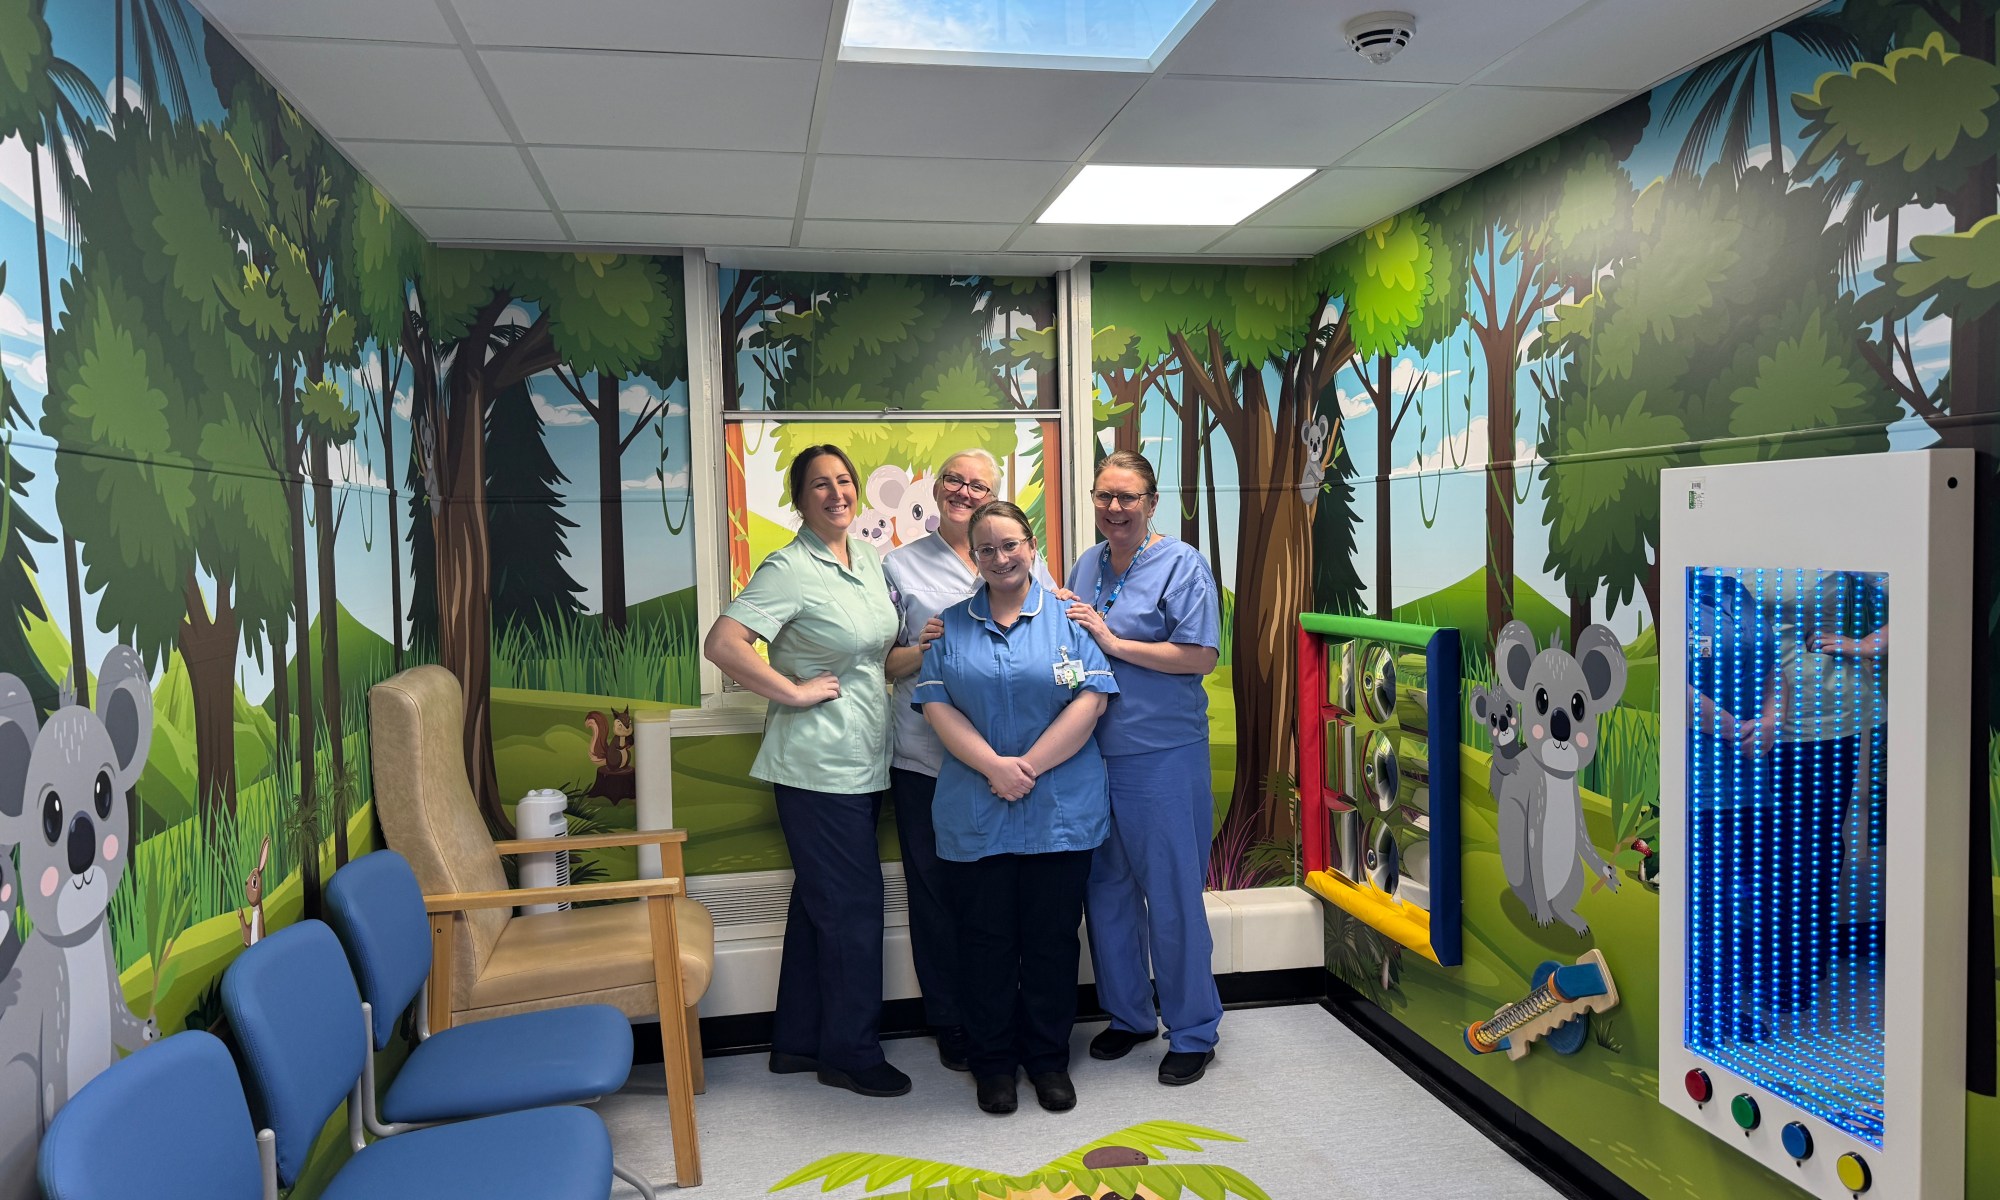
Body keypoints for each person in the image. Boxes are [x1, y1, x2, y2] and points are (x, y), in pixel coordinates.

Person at [702, 444, 908, 1099]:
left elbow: (874, 655)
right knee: (853, 909)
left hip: (863, 757)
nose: (836, 493)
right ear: (799, 498)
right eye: (820, 484)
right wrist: (790, 692)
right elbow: (723, 643)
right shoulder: (789, 568)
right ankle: (851, 1053)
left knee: (822, 905)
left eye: (844, 481)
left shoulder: (867, 559)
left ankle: (797, 1040)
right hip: (818, 766)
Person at [913, 500, 1117, 1115]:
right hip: (977, 808)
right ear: (973, 557)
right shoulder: (949, 627)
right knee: (984, 943)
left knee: (1052, 941)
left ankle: (1048, 1060)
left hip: (1059, 809)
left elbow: (1091, 701)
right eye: (987, 549)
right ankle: (994, 1064)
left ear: (1031, 547)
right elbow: (937, 706)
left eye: (1010, 545)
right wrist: (995, 768)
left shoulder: (1070, 620)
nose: (1000, 558)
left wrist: (1027, 767)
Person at [881, 450, 1055, 1074]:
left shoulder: (1024, 557)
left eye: (978, 484)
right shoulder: (899, 565)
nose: (964, 491)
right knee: (936, 895)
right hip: (928, 760)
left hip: (1015, 766)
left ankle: (1009, 1020)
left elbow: (1052, 639)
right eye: (954, 480)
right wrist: (923, 644)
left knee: (1005, 902)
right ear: (935, 488)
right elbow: (884, 663)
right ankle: (951, 1019)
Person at [1063, 450, 1224, 1086]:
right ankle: (1129, 1015)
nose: (1114, 507)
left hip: (1161, 755)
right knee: (1106, 891)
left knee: (1173, 896)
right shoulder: (1087, 563)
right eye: (1104, 495)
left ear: (1152, 503)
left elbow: (1200, 656)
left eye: (1127, 497)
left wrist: (1113, 642)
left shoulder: (1181, 564)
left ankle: (1193, 1030)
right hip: (1092, 753)